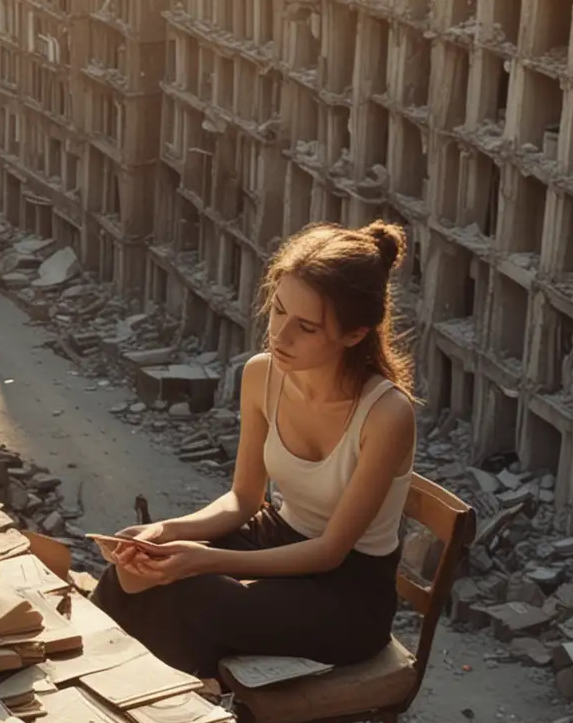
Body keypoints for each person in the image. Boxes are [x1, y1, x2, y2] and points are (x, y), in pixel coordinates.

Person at [93, 221, 416, 680]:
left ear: (354, 334)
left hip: (347, 591)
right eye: (278, 312)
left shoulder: (386, 414)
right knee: (136, 573)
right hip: (275, 537)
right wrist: (163, 532)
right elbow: (243, 499)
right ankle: (95, 696)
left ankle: (171, 716)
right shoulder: (262, 375)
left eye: (305, 327)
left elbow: (330, 551)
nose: (279, 337)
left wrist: (204, 559)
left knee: (191, 595)